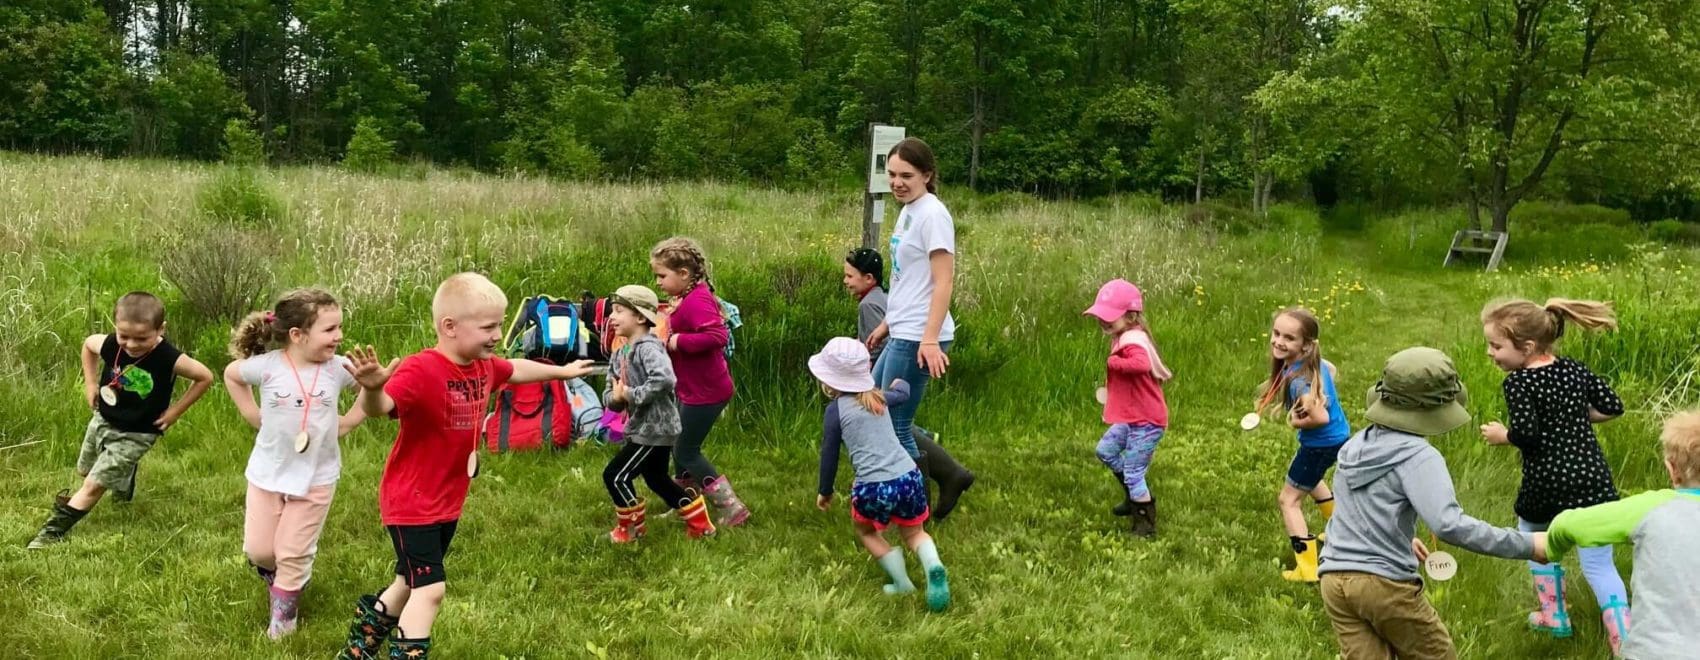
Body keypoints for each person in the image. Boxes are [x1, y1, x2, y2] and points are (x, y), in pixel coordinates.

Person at [336, 273, 592, 660]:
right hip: (412, 502)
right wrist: (373, 388)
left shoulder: (483, 366)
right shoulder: (421, 368)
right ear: (449, 327)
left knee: (407, 580)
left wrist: (563, 372)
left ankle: (358, 649)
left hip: (446, 498)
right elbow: (381, 409)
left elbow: (516, 369)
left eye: (500, 324)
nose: (496, 334)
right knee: (431, 589)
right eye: (488, 326)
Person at [1319, 347, 1547, 660]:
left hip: (1334, 580)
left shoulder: (1356, 446)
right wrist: (1528, 545)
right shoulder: (1418, 455)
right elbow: (1448, 525)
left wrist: (1399, 534)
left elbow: (1353, 510)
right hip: (1384, 586)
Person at [1479, 297, 1629, 651]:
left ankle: (1553, 614)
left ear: (1527, 347)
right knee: (1600, 565)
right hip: (1593, 479)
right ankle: (1624, 638)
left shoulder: (1518, 383)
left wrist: (1504, 436)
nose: (1490, 352)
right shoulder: (1574, 369)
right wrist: (1573, 417)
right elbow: (1613, 406)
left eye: (1496, 345)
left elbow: (1528, 434)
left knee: (1534, 536)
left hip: (1547, 483)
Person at [225, 289, 369, 638]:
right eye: (330, 329)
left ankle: (283, 625)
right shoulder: (269, 366)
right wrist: (251, 413)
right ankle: (280, 578)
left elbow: (372, 384)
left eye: (340, 327)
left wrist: (351, 418)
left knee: (292, 552)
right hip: (267, 472)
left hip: (316, 478)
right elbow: (232, 374)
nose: (339, 336)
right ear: (297, 335)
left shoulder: (338, 369)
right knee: (259, 551)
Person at [27, 292, 215, 549]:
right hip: (103, 419)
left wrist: (174, 412)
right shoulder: (110, 344)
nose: (131, 344)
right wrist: (91, 384)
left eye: (141, 338)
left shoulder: (169, 357)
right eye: (123, 335)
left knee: (93, 485)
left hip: (138, 432)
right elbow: (87, 345)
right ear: (116, 326)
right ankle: (125, 476)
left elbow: (205, 377)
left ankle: (51, 532)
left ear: (160, 329)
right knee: (85, 471)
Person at [864, 137, 976, 521]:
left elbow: (943, 281)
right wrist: (886, 322)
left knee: (893, 422)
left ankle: (917, 506)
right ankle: (951, 475)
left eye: (906, 175)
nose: (897, 182)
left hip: (919, 335)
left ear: (927, 175)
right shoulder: (909, 210)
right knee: (874, 408)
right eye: (892, 174)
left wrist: (928, 339)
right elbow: (908, 278)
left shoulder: (933, 215)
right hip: (904, 327)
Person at [1546, 409, 1700, 660]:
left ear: (1671, 469)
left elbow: (1570, 523)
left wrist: (1552, 547)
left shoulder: (1652, 507)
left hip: (1652, 652)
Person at [810, 337, 950, 612]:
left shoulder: (834, 412)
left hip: (872, 486)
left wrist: (825, 490)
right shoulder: (879, 397)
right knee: (915, 534)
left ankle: (901, 583)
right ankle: (933, 564)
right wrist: (900, 383)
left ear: (829, 381)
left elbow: (829, 456)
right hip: (909, 477)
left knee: (867, 532)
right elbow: (904, 393)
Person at [602, 284, 717, 543]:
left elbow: (664, 379)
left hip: (655, 428)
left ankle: (631, 531)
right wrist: (616, 400)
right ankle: (701, 525)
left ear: (641, 317)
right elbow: (611, 389)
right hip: (642, 428)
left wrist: (631, 394)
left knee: (615, 476)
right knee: (656, 478)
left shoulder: (649, 348)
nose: (612, 316)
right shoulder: (620, 351)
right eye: (612, 311)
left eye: (619, 311)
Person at [651, 237, 750, 527]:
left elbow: (718, 336)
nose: (658, 282)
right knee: (678, 444)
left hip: (708, 391)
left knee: (685, 450)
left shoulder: (698, 300)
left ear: (683, 274)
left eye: (662, 276)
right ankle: (687, 504)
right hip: (693, 388)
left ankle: (731, 507)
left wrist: (677, 342)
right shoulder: (688, 297)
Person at [1253, 307, 1349, 582]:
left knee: (1289, 500)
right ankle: (1338, 529)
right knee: (1312, 480)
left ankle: (1307, 568)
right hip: (1337, 438)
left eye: (1288, 338)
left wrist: (1296, 422)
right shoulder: (1314, 362)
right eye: (1276, 333)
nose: (1278, 341)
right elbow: (1331, 369)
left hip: (1320, 443)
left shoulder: (1299, 383)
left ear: (1305, 346)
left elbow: (1320, 417)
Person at [1082, 279, 1172, 537]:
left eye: (1109, 316)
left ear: (1131, 315)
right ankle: (1134, 496)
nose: (1102, 321)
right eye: (1101, 315)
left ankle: (1145, 523)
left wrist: (1114, 364)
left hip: (1148, 420)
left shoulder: (1133, 341)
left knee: (1134, 471)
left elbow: (1141, 365)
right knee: (1106, 450)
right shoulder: (1123, 335)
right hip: (1132, 417)